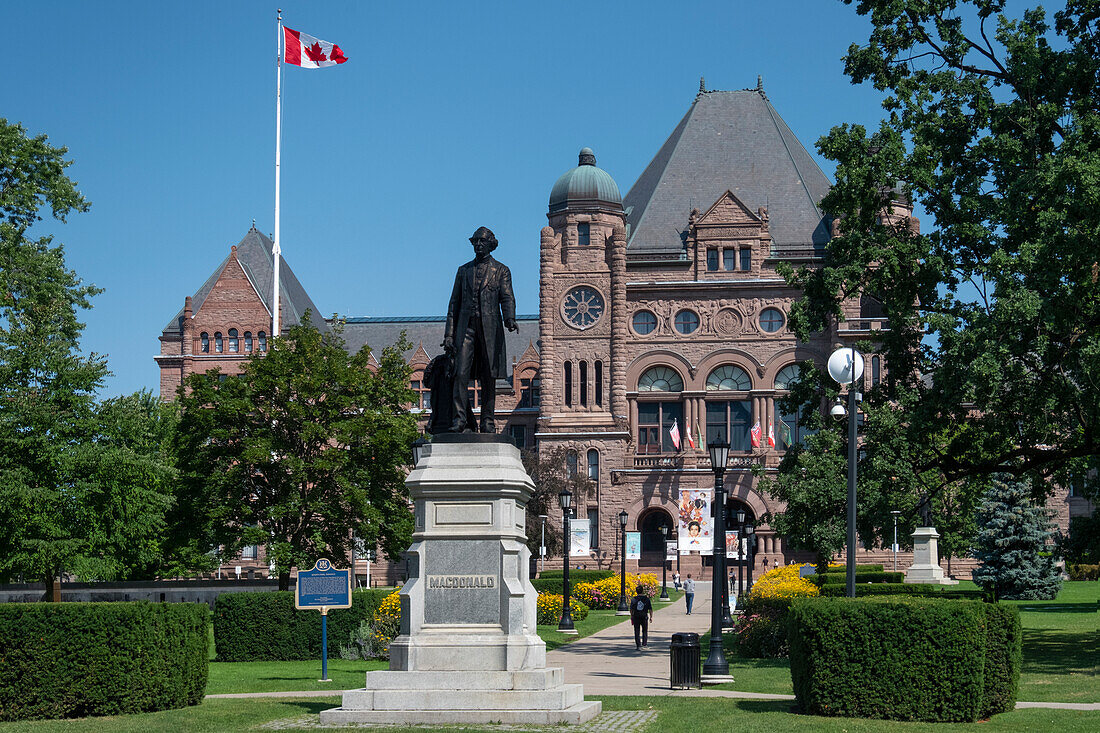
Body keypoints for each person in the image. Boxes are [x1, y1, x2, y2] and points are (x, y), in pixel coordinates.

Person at [443, 226, 518, 433]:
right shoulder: (463, 271)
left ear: (491, 244)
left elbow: (507, 297)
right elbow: (453, 305)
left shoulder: (501, 270)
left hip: (490, 330)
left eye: (482, 242)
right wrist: (449, 334)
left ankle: (487, 421)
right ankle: (459, 419)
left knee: (488, 376)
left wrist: (510, 318)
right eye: (475, 241)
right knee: (460, 373)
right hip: (465, 329)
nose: (478, 245)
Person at [630, 584, 654, 650]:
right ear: (642, 591)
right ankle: (644, 644)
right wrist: (651, 617)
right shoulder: (646, 599)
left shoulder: (634, 599)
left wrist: (632, 616)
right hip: (644, 616)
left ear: (636, 591)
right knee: (645, 631)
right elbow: (650, 609)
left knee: (637, 631)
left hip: (636, 616)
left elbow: (631, 609)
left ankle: (638, 645)